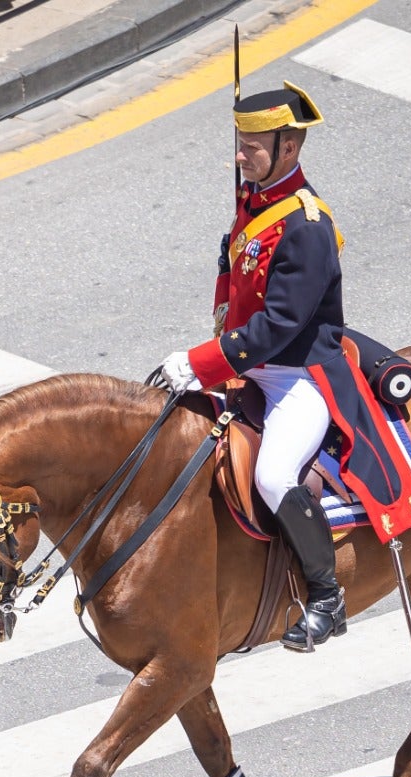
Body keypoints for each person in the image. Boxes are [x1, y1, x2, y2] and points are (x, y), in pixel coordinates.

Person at [155, 81, 348, 653]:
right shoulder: (256, 201)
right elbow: (237, 273)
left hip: (297, 374)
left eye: (253, 145)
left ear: (290, 148)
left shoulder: (306, 225)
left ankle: (326, 595)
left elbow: (280, 326)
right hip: (252, 365)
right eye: (239, 141)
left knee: (272, 475)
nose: (240, 154)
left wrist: (202, 362)